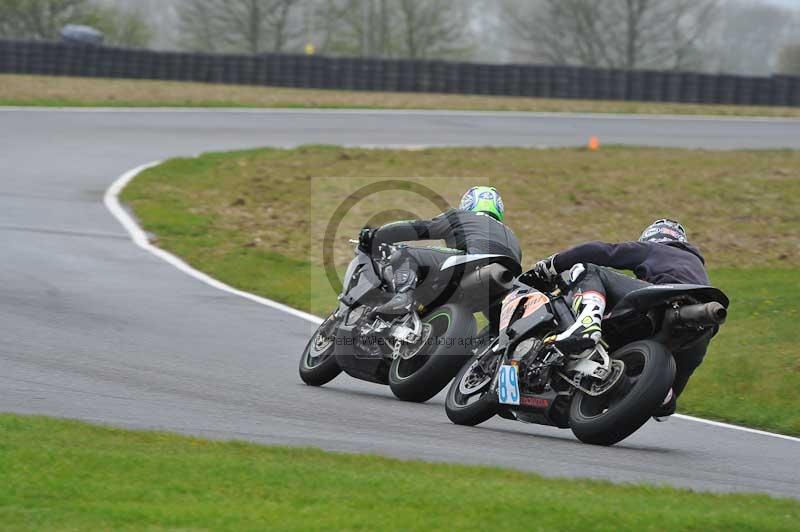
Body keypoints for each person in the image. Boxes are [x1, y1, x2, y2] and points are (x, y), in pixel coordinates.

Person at [531, 219, 711, 418]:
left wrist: (552, 264)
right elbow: (688, 365)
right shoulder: (698, 271)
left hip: (666, 297)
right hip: (703, 326)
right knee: (672, 388)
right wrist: (663, 394)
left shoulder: (656, 249)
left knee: (588, 269)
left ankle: (587, 323)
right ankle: (659, 393)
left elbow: (601, 251)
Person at [358, 186, 522, 318]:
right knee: (495, 322)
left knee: (406, 253)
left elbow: (419, 229)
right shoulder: (512, 236)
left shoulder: (461, 215)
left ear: (468, 202)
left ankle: (403, 297)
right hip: (504, 282)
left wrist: (376, 235)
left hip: (472, 262)